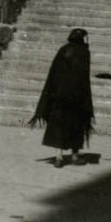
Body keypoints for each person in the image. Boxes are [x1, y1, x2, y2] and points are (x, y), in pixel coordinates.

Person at [28, 28, 95, 168]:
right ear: (82, 38)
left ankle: (58, 157)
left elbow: (53, 73)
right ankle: (74, 156)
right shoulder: (84, 53)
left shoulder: (63, 49)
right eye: (87, 38)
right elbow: (84, 79)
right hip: (77, 98)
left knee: (59, 125)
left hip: (60, 97)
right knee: (77, 125)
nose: (88, 40)